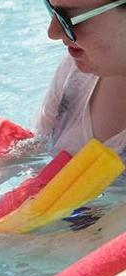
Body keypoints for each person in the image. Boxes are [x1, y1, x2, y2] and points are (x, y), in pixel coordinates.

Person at [35, 0, 126, 162]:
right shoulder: (76, 70)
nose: (53, 32)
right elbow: (37, 147)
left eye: (70, 18)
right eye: (51, 7)